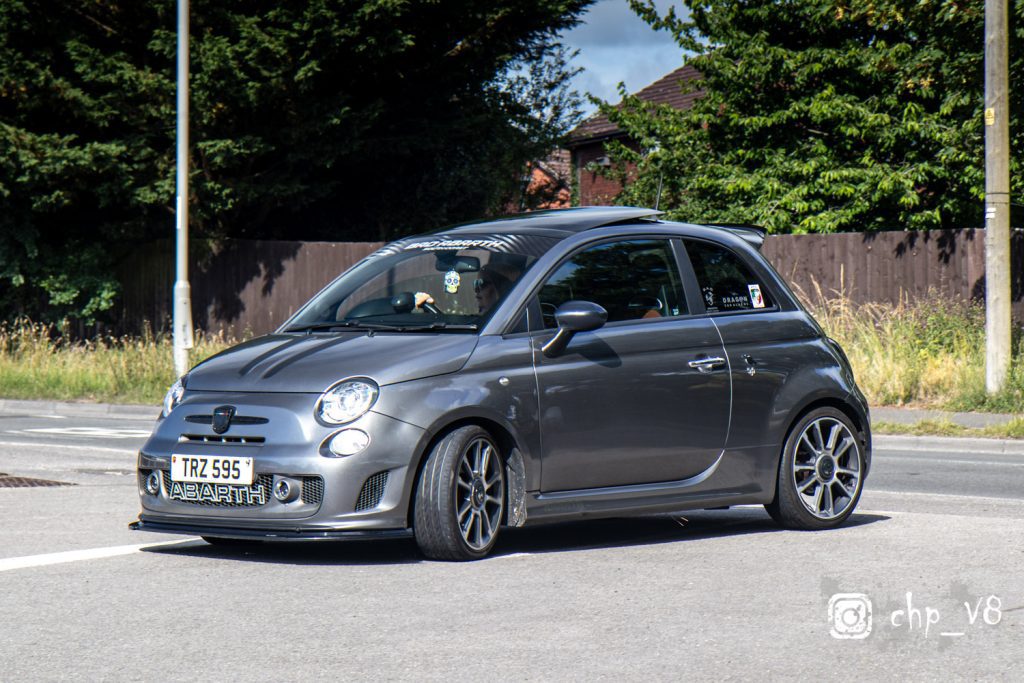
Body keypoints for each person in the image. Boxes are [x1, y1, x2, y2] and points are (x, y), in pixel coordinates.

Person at [415, 261, 521, 314]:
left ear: (504, 288)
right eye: (476, 283)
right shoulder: (480, 322)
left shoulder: (515, 325)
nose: (476, 290)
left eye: (482, 284)